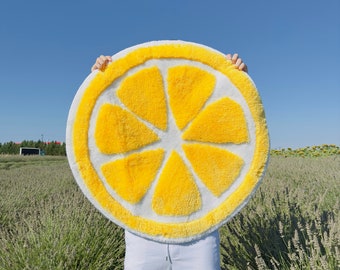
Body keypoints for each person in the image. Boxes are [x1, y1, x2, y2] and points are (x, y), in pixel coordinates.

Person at [91, 52, 248, 270]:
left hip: (198, 233)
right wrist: (101, 81)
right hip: (143, 233)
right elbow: (108, 121)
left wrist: (236, 81)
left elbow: (230, 127)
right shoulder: (134, 126)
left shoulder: (201, 120)